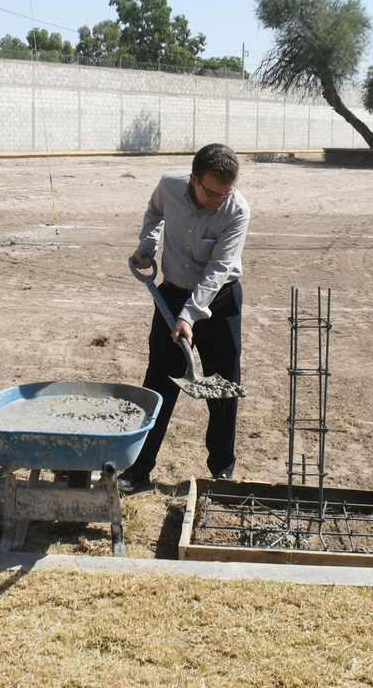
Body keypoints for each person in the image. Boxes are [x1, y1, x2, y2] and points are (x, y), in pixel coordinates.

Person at [119, 143, 250, 494]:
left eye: (227, 192)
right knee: (157, 385)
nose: (220, 199)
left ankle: (221, 469)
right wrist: (148, 244)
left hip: (219, 302)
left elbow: (219, 269)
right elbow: (154, 211)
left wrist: (190, 316)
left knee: (222, 390)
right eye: (212, 192)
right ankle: (137, 470)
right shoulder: (169, 186)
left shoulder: (236, 209)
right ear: (194, 179)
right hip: (172, 295)